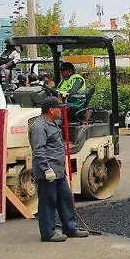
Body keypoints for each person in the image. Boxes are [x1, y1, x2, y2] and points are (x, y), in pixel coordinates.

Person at [30, 97, 88, 242]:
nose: (62, 111)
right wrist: (46, 169)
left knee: (65, 198)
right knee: (48, 202)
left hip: (58, 171)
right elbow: (38, 150)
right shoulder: (39, 127)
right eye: (59, 108)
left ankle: (70, 228)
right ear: (51, 110)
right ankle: (48, 233)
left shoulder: (52, 124)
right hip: (48, 172)